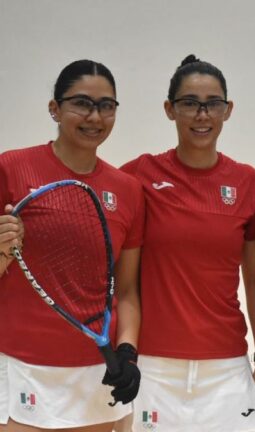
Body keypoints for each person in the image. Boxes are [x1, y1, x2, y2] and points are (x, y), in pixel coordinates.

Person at [119, 55, 255, 432]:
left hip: (227, 369)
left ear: (228, 110)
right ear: (170, 110)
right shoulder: (137, 176)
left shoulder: (246, 181)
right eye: (189, 103)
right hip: (152, 368)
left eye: (213, 104)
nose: (202, 115)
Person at [0, 60, 144, 431]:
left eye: (106, 106)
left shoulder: (127, 190)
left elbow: (126, 290)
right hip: (20, 365)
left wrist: (127, 352)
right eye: (81, 103)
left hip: (96, 370)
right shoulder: (11, 168)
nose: (94, 116)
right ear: (54, 108)